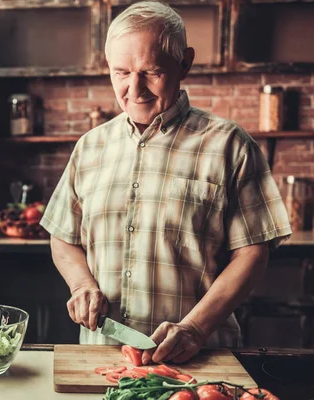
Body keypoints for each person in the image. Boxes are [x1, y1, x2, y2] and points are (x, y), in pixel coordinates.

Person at [40, 1, 292, 364]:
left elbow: (253, 253)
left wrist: (195, 328)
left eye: (151, 72)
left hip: (201, 359)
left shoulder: (229, 145)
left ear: (185, 63)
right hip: (102, 359)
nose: (134, 89)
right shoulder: (90, 147)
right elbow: (63, 236)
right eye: (121, 72)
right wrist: (81, 285)